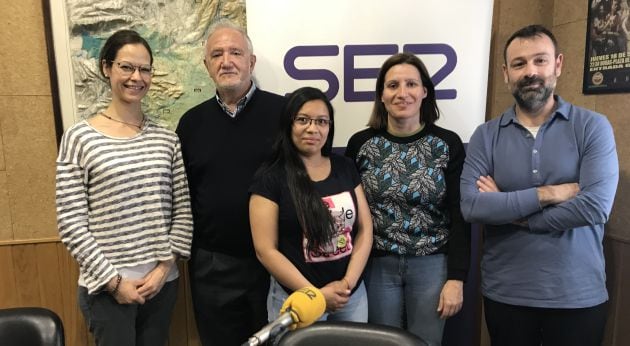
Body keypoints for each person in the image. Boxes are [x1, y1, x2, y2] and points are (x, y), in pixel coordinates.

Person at [460, 24, 618, 346]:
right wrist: (550, 193)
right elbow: (472, 205)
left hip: (578, 296)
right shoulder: (486, 135)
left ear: (557, 65)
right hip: (506, 295)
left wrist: (510, 210)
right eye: (519, 64)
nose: (530, 72)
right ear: (506, 73)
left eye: (540, 61)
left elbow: (595, 206)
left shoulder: (592, 127)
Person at [55, 29, 193, 345]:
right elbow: (71, 223)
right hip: (106, 291)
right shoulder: (80, 139)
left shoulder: (166, 140)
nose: (136, 77)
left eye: (144, 69)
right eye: (126, 67)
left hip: (161, 285)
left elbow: (183, 213)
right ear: (107, 68)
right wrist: (115, 282)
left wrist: (162, 271)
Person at [345, 52, 471, 345]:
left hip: (432, 264)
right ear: (381, 95)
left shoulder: (446, 144)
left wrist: (457, 277)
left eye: (411, 84)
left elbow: (460, 214)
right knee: (381, 343)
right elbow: (350, 214)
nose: (402, 93)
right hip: (377, 265)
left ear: (425, 92)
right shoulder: (361, 145)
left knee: (425, 343)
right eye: (393, 85)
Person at [175, 19, 286, 346]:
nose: (227, 61)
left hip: (278, 262)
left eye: (236, 52)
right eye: (217, 54)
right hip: (214, 265)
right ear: (206, 65)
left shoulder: (284, 113)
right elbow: (184, 195)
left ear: (250, 62)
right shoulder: (191, 123)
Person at [249, 87, 373, 324]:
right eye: (303, 120)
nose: (312, 128)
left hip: (350, 297)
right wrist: (316, 296)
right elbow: (265, 250)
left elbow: (365, 229)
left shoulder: (345, 167)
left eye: (322, 121)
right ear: (289, 124)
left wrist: (347, 284)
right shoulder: (270, 177)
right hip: (299, 300)